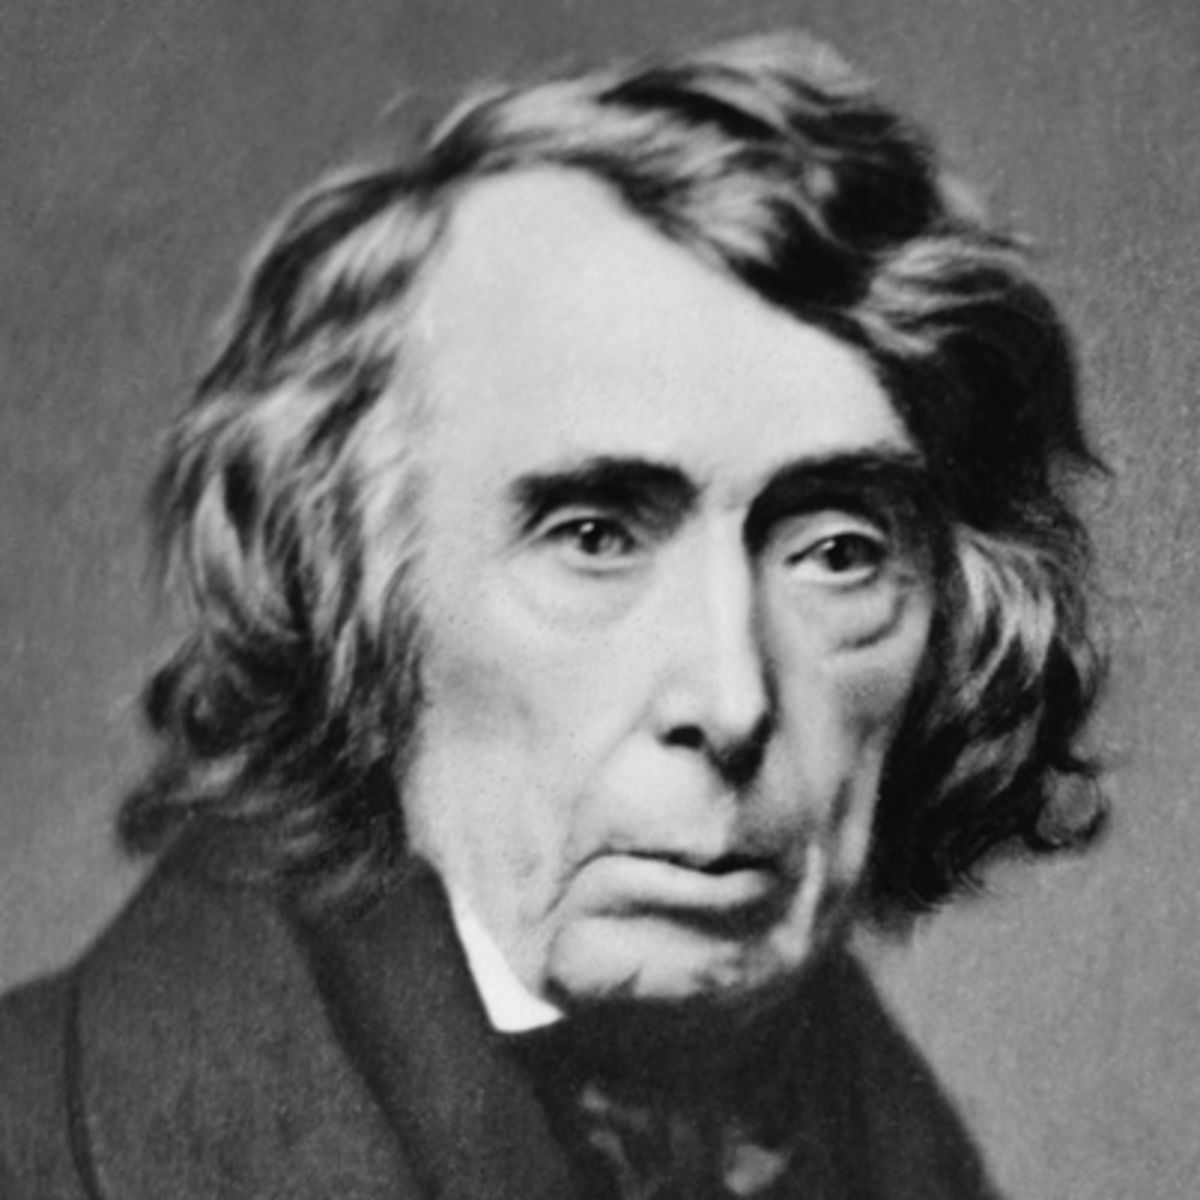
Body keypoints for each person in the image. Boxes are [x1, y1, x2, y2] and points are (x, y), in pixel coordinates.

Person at [0, 29, 1105, 1199]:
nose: (732, 700)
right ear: (355, 596)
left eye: (836, 552)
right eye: (594, 537)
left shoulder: (899, 1152)